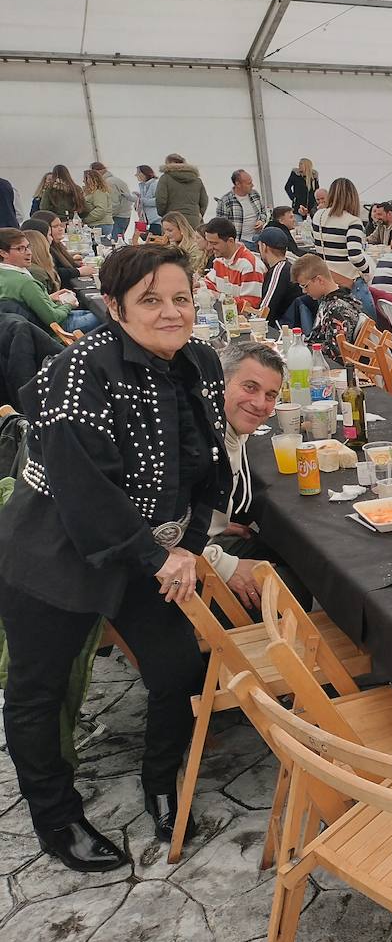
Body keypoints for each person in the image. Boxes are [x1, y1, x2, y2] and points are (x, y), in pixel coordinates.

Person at [0, 243, 230, 870]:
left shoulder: (199, 362)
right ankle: (55, 818)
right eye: (150, 300)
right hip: (56, 550)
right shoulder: (81, 368)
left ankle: (160, 780)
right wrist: (159, 559)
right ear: (115, 306)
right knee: (37, 693)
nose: (170, 312)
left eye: (180, 298)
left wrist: (188, 541)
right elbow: (82, 485)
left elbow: (204, 461)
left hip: (143, 552)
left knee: (176, 664)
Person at [201, 342, 305, 608]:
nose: (260, 404)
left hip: (204, 542)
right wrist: (224, 565)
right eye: (250, 387)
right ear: (219, 382)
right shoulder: (199, 441)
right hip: (178, 581)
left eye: (271, 395)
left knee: (294, 556)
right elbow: (157, 536)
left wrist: (215, 523)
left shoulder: (229, 427)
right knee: (296, 591)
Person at [0, 229, 100, 332]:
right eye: (21, 248)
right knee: (105, 317)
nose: (29, 253)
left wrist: (48, 298)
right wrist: (68, 304)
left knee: (97, 312)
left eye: (28, 247)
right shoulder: (25, 283)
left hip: (29, 327)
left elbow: (24, 305)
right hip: (55, 331)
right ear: (3, 253)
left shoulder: (5, 275)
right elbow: (53, 319)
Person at [311, 177, 375, 321]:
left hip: (327, 280)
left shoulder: (318, 216)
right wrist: (367, 272)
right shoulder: (353, 221)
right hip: (349, 282)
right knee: (367, 326)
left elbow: (316, 246)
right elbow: (355, 255)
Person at [297, 254, 362, 359]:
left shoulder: (338, 309)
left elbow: (335, 354)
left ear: (319, 280)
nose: (304, 291)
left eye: (305, 286)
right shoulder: (327, 300)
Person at [203, 217, 266, 313]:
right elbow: (208, 285)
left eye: (214, 243)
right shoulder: (219, 260)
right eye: (208, 242)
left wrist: (218, 296)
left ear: (230, 241)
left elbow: (249, 307)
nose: (209, 247)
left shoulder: (250, 266)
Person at [29, 212, 96, 287]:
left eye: (61, 225)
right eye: (55, 226)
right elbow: (54, 271)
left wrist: (73, 262)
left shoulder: (56, 246)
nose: (61, 229)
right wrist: (79, 271)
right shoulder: (45, 250)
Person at [255, 228, 300, 324]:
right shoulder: (288, 266)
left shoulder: (279, 271)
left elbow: (264, 311)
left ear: (264, 247)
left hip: (281, 328)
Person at [215, 170, 269, 248]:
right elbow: (221, 227)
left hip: (258, 240)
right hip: (240, 242)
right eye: (249, 183)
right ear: (238, 184)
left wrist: (261, 221)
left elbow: (263, 212)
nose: (252, 185)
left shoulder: (255, 194)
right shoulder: (225, 201)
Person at [156, 154, 210, 229]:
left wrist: (163, 214)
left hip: (172, 219)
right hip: (193, 220)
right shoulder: (197, 180)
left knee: (171, 240)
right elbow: (204, 201)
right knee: (193, 240)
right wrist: (197, 214)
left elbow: (161, 200)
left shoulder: (165, 178)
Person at [90, 163, 133, 240]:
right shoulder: (114, 180)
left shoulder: (109, 182)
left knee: (115, 243)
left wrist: (106, 217)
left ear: (97, 171)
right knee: (118, 241)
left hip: (118, 217)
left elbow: (114, 204)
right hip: (123, 216)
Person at [159, 212, 207, 277]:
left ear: (181, 229)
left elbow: (193, 269)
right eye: (165, 231)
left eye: (170, 230)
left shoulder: (195, 245)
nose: (166, 234)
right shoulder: (170, 245)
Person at [80, 169, 115, 238]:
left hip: (100, 225)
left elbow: (101, 210)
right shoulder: (93, 193)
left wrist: (85, 220)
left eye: (85, 179)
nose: (83, 181)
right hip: (98, 225)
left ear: (90, 180)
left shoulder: (99, 192)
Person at [134, 165, 162, 236]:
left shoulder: (154, 184)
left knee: (155, 242)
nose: (136, 175)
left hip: (156, 220)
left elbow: (158, 201)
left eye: (138, 172)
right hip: (147, 221)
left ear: (145, 173)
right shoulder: (143, 186)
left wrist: (142, 200)